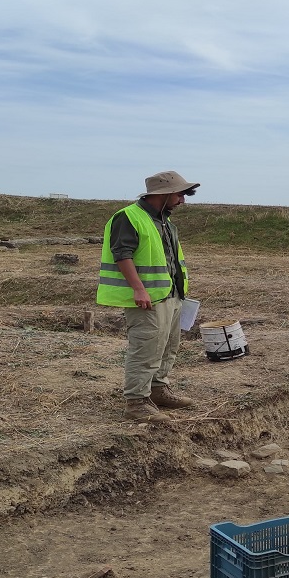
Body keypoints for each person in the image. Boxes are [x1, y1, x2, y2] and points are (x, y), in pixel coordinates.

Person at [96, 170, 199, 423]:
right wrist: (139, 289)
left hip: (170, 295)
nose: (182, 201)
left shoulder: (165, 221)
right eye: (179, 194)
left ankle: (157, 389)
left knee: (167, 347)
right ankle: (136, 402)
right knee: (146, 349)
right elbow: (122, 254)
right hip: (148, 298)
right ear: (162, 194)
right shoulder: (129, 217)